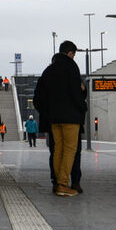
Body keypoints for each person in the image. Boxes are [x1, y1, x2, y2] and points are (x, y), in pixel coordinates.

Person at [34, 40, 84, 197]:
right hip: (70, 117)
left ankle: (57, 183)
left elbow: (39, 97)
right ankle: (63, 184)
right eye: (73, 54)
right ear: (70, 53)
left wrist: (48, 113)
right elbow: (76, 93)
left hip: (54, 118)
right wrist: (82, 106)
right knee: (70, 150)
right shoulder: (71, 67)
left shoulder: (48, 70)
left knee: (57, 150)